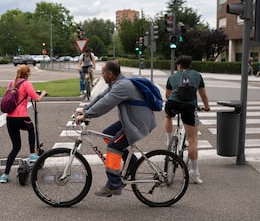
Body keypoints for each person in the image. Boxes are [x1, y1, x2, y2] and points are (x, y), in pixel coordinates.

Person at [75, 61, 156, 197]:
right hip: (131, 120)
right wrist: (85, 109)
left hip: (138, 123)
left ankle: (114, 185)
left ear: (110, 74)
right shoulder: (116, 83)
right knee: (107, 135)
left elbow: (107, 103)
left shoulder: (122, 86)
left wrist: (87, 115)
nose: (102, 76)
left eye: (103, 74)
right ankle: (132, 164)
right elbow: (102, 97)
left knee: (114, 147)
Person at [164, 55, 210, 184]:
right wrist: (206, 107)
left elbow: (167, 95)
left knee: (167, 116)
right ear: (190, 65)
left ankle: (168, 139)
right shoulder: (197, 75)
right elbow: (203, 94)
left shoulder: (172, 77)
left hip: (173, 104)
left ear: (179, 66)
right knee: (192, 140)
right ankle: (195, 174)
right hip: (189, 107)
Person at [0, 65, 47, 183]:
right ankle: (32, 154)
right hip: (21, 117)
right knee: (31, 129)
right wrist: (43, 94)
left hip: (9, 118)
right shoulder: (26, 84)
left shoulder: (11, 83)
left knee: (15, 147)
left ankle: (5, 175)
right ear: (28, 74)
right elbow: (36, 98)